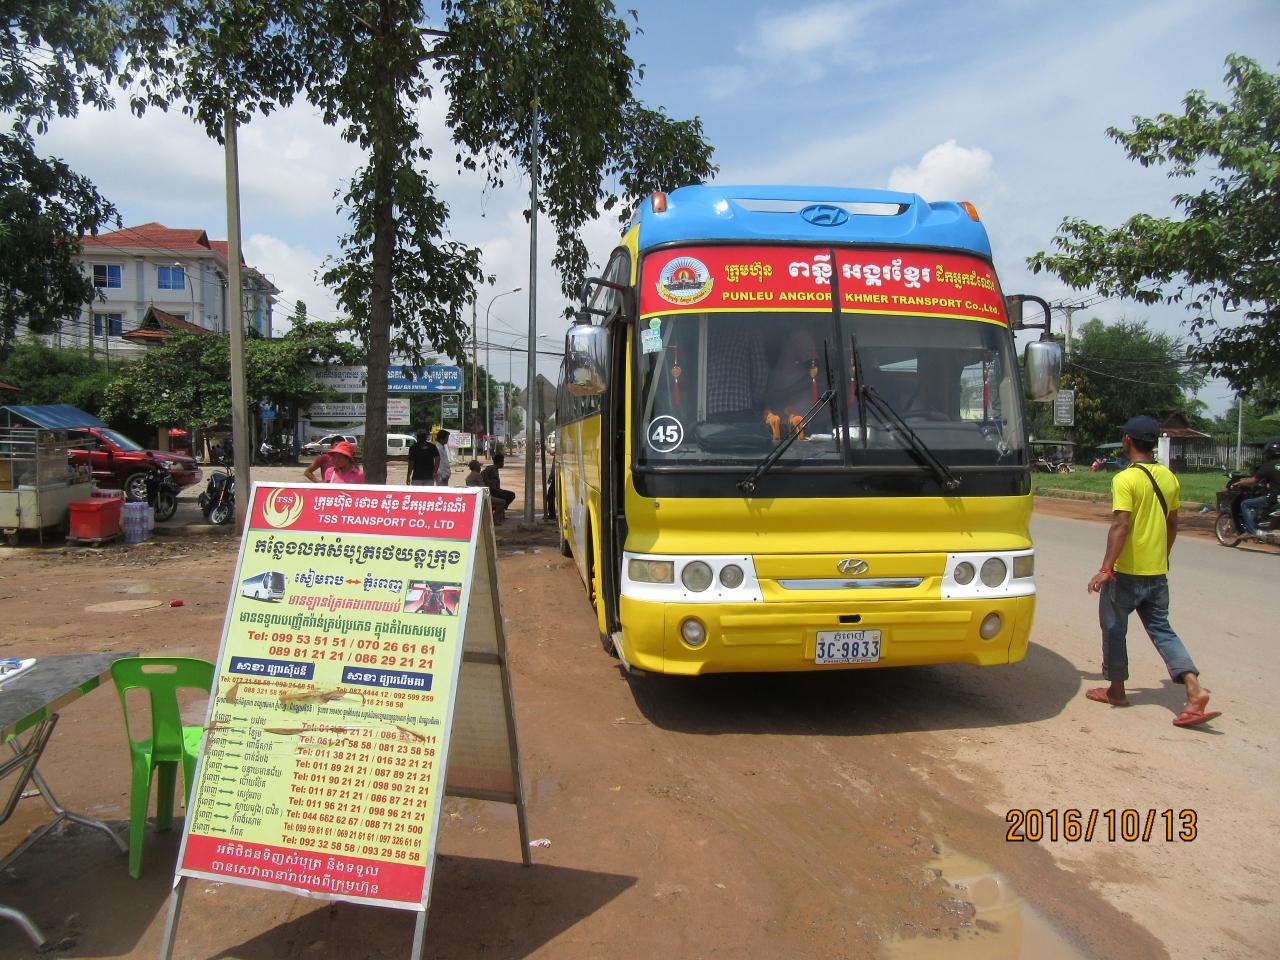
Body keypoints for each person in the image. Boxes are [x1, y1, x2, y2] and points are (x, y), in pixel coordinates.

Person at [1085, 415, 1220, 727]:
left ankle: (1116, 690)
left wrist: (1105, 568)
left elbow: (1121, 525)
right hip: (1156, 572)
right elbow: (1172, 525)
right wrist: (1162, 557)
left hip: (1124, 574)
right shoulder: (1169, 478)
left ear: (1128, 441)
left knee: (1114, 628)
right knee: (1162, 630)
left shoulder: (1125, 479)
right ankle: (1194, 689)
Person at [1229, 438, 1280, 540]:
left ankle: (1252, 531)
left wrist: (1239, 483)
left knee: (1245, 504)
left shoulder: (1268, 466)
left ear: (1268, 453)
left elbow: (1253, 481)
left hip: (1275, 497)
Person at [480, 452, 516, 517]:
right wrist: (499, 493)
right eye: (502, 461)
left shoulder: (492, 468)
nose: (503, 463)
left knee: (509, 495)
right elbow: (492, 486)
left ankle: (501, 511)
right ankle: (498, 512)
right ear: (499, 462)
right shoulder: (493, 470)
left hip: (493, 490)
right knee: (509, 496)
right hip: (492, 491)